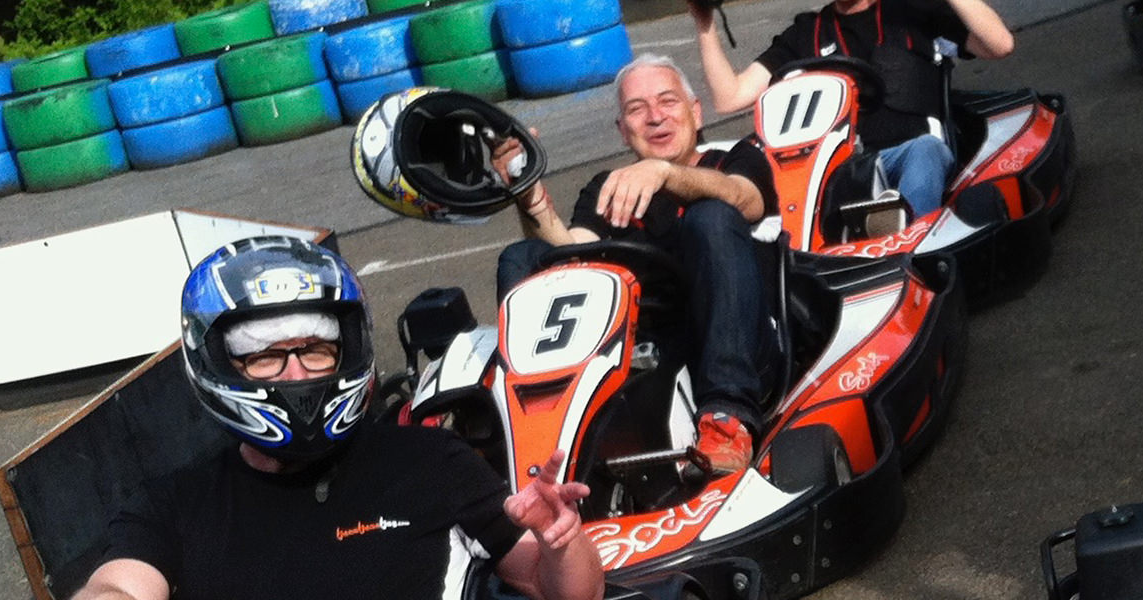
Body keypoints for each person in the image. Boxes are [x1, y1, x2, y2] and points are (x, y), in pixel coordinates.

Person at [74, 236, 603, 600]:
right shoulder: (175, 505)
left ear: (346, 350)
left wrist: (560, 541)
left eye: (315, 350)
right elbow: (120, 584)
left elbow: (566, 590)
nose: (296, 374)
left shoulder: (429, 461)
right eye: (266, 355)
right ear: (219, 364)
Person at [491, 55, 781, 475]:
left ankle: (728, 420)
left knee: (711, 215)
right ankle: (532, 426)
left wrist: (663, 173)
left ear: (696, 112)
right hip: (646, 355)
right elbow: (569, 255)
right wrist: (526, 192)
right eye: (637, 109)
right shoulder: (609, 187)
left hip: (741, 350)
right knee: (524, 256)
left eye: (668, 101)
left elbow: (745, 199)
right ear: (623, 131)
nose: (655, 117)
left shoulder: (736, 159)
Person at [690, 0, 1015, 216]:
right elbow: (730, 97)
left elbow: (1000, 44)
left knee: (924, 151)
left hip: (910, 153)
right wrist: (704, 22)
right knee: (766, 167)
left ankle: (911, 247)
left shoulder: (914, 11)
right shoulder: (807, 32)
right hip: (838, 169)